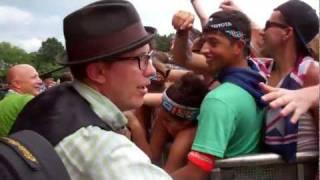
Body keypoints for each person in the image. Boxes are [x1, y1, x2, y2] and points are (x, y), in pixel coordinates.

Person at [10, 1, 172, 179]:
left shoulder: (48, 102)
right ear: (98, 72)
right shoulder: (104, 150)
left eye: (150, 57)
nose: (152, 71)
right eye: (141, 58)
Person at [171, 10, 266, 180]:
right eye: (204, 41)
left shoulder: (219, 100)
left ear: (238, 46)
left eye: (213, 43)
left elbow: (196, 173)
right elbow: (183, 58)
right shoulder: (256, 79)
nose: (205, 50)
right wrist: (182, 33)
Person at [260, 0, 319, 160]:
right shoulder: (264, 71)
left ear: (287, 32)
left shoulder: (311, 72)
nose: (261, 32)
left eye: (267, 24)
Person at [128, 73, 208, 173]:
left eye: (167, 120)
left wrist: (135, 125)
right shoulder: (166, 111)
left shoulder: (187, 134)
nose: (162, 123)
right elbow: (153, 156)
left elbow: (167, 175)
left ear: (186, 122)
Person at [0, 64, 42, 136]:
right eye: (34, 77)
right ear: (17, 84)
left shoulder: (3, 102)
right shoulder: (27, 99)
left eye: (38, 77)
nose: (40, 81)